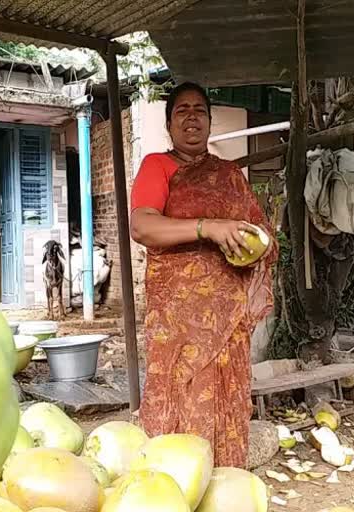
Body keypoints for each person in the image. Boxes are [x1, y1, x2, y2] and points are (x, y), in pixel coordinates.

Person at [129, 82, 277, 468]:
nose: (192, 117)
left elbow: (258, 232)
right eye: (182, 110)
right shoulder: (157, 166)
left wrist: (249, 246)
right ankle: (172, 484)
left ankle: (224, 481)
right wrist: (208, 227)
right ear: (169, 123)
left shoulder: (229, 174)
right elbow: (143, 226)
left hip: (227, 315)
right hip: (177, 315)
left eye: (200, 110)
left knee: (226, 393)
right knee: (180, 389)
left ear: (210, 122)